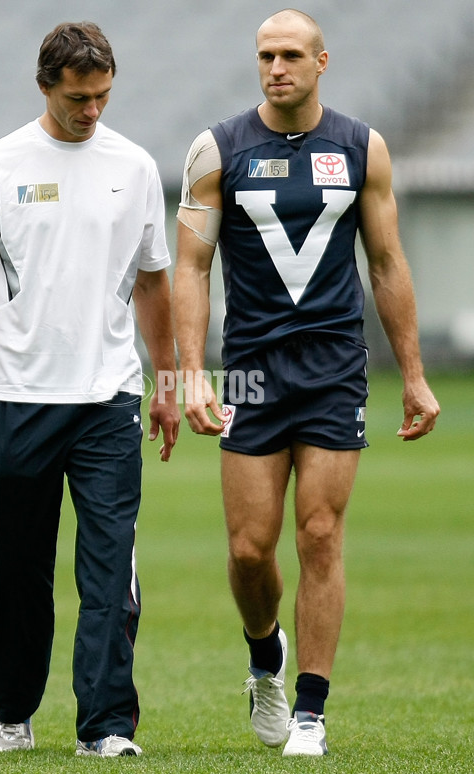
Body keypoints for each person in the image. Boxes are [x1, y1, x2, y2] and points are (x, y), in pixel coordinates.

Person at [173, 8, 439, 758]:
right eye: (265, 55)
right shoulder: (215, 148)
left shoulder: (362, 147)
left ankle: (313, 714)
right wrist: (192, 375)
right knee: (250, 550)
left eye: (291, 54)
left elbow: (387, 265)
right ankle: (266, 658)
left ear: (323, 62)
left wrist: (413, 377)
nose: (275, 67)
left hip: (331, 367)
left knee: (320, 534)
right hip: (252, 370)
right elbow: (191, 268)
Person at [0, 21, 179, 758]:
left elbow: (153, 280)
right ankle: (11, 710)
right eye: (79, 97)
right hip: (21, 398)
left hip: (109, 400)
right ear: (45, 86)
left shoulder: (134, 166)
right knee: (16, 571)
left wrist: (167, 378)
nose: (93, 110)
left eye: (104, 95)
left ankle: (105, 726)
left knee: (110, 570)